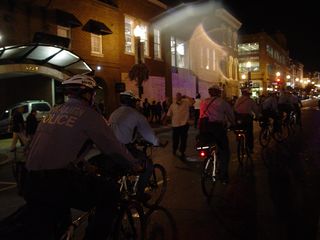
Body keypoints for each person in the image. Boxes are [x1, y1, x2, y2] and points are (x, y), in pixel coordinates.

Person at [24, 74, 141, 240]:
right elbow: (113, 147)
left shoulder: (53, 111)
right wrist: (134, 164)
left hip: (30, 179)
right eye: (93, 93)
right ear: (87, 94)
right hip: (57, 180)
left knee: (57, 224)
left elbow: (60, 147)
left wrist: (84, 165)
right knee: (110, 193)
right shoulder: (90, 115)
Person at [109, 91, 161, 202]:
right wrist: (157, 142)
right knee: (147, 165)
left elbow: (124, 130)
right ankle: (139, 194)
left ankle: (126, 185)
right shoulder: (136, 115)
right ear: (132, 102)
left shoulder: (114, 113)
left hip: (110, 148)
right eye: (136, 102)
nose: (137, 104)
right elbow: (148, 134)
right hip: (124, 148)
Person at [199, 85, 235, 184]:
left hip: (204, 128)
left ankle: (209, 156)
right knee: (224, 151)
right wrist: (233, 123)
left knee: (207, 145)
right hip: (217, 128)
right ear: (219, 93)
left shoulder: (203, 102)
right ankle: (223, 176)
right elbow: (230, 115)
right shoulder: (222, 102)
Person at [163, 92, 194, 160]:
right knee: (175, 139)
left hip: (184, 124)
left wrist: (186, 96)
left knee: (183, 139)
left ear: (181, 97)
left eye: (180, 96)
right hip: (175, 125)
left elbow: (193, 101)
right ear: (176, 98)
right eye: (177, 96)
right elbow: (168, 114)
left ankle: (182, 151)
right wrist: (165, 120)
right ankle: (174, 149)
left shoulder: (186, 103)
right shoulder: (173, 105)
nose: (178, 97)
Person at [234, 87, 260, 153]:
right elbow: (255, 110)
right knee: (249, 133)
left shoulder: (238, 100)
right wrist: (257, 116)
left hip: (238, 118)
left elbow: (235, 108)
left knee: (239, 129)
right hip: (247, 118)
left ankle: (238, 137)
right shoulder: (250, 100)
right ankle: (250, 148)